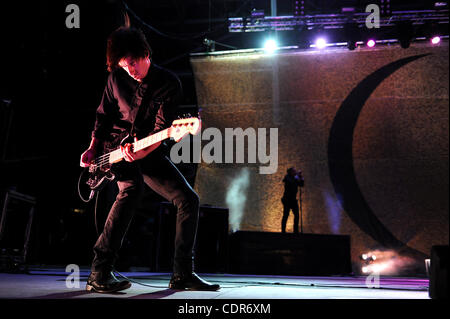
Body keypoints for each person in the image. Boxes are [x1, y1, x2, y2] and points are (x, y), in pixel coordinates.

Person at [79, 26, 219, 293]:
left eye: (132, 63)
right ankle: (99, 272)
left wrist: (139, 152)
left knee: (188, 199)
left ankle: (182, 274)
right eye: (123, 66)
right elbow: (103, 115)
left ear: (145, 53)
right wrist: (93, 147)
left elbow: (160, 131)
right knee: (132, 189)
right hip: (113, 151)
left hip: (148, 148)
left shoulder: (168, 83)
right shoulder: (116, 79)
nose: (129, 70)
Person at [281, 167, 304, 234]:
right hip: (287, 200)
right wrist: (297, 176)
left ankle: (295, 231)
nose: (295, 172)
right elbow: (291, 182)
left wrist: (301, 177)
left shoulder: (295, 178)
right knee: (286, 215)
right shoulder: (287, 177)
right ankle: (283, 231)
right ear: (290, 172)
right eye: (294, 171)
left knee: (297, 215)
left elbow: (301, 185)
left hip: (293, 200)